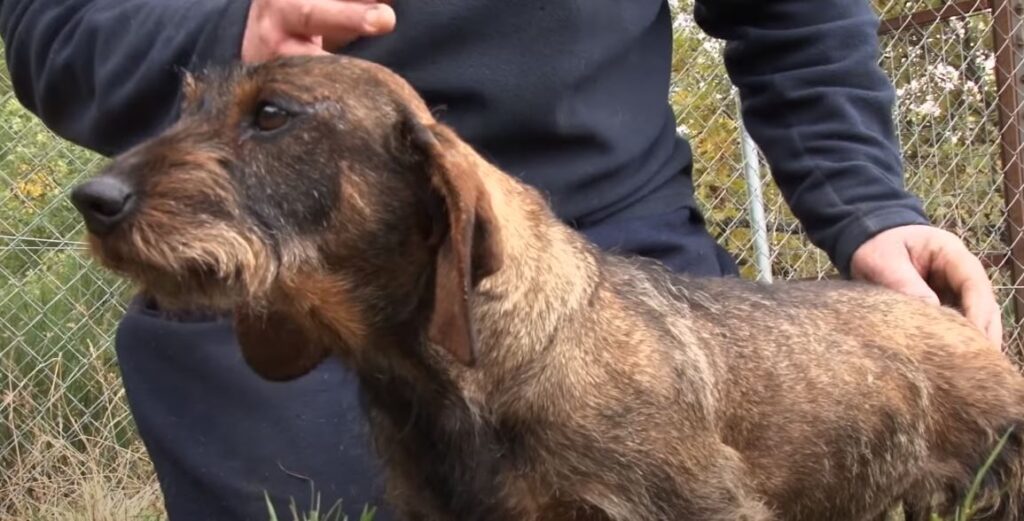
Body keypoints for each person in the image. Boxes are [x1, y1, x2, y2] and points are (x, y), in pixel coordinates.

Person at [0, 0, 1005, 519]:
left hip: (619, 243)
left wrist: (865, 203)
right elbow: (55, 21)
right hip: (290, 299)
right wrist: (232, 29)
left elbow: (792, 14)